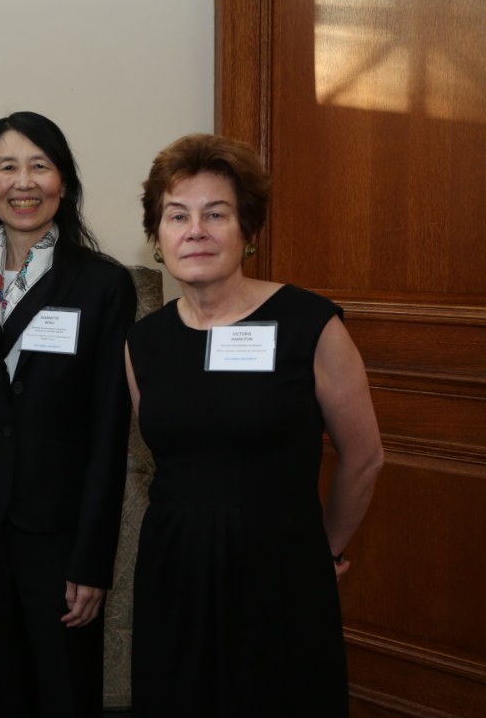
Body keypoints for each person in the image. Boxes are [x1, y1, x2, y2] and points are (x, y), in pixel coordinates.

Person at [125, 133, 384, 717]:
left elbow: (364, 458)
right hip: (175, 572)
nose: (195, 230)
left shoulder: (309, 324)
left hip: (281, 570)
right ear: (159, 238)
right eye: (177, 216)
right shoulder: (144, 342)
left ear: (248, 232)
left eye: (216, 214)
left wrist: (325, 550)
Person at [0, 111, 136, 717]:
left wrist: (92, 560)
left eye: (40, 165)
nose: (24, 182)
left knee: (66, 692)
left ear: (63, 182)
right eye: (8, 166)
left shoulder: (102, 285)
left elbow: (109, 434)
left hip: (62, 538)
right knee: (0, 691)